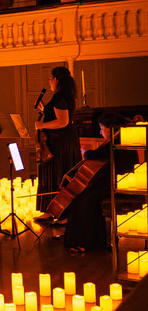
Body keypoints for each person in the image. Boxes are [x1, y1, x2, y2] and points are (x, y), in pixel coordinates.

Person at [63, 113, 138, 252]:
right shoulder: (119, 139)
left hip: (117, 184)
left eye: (102, 128)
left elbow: (94, 155)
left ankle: (84, 242)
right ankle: (95, 240)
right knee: (83, 196)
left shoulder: (117, 141)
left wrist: (85, 152)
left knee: (82, 199)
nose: (100, 132)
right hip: (113, 181)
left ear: (110, 129)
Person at [35, 66, 81, 218]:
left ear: (56, 79)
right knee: (58, 173)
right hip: (64, 140)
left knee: (58, 174)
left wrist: (42, 125)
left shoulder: (59, 96)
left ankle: (60, 212)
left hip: (60, 143)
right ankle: (54, 210)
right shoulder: (66, 96)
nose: (49, 81)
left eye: (50, 78)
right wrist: (45, 109)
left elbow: (62, 122)